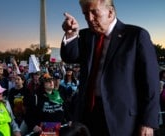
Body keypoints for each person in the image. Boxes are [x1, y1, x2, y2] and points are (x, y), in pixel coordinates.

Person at [61, 0, 160, 135]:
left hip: (121, 119)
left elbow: (151, 82)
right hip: (87, 115)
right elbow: (70, 57)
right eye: (85, 14)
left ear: (110, 12)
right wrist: (71, 33)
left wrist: (148, 122)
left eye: (94, 12)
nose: (89, 19)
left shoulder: (136, 36)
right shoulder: (86, 35)